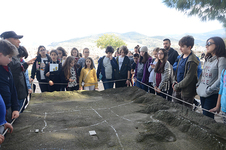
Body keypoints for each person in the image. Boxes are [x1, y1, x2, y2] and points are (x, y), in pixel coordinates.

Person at [0, 31, 35, 110]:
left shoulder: (13, 55)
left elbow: (17, 70)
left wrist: (25, 65)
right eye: (16, 38)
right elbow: (14, 69)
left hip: (18, 94)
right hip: (12, 98)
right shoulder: (5, 60)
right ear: (7, 40)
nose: (19, 41)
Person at [196, 37, 226, 119]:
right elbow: (202, 73)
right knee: (204, 115)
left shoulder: (221, 59)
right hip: (202, 91)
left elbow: (221, 78)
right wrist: (198, 85)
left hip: (212, 94)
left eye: (209, 43)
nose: (206, 46)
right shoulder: (208, 59)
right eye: (206, 44)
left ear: (217, 45)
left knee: (207, 117)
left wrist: (209, 89)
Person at [172, 35, 199, 109]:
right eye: (180, 46)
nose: (180, 48)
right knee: (176, 108)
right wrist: (174, 81)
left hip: (187, 91)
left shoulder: (192, 60)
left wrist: (177, 86)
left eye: (183, 46)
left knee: (185, 111)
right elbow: (177, 71)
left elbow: (189, 77)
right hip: (177, 88)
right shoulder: (181, 56)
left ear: (189, 47)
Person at [0, 40, 20, 122]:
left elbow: (12, 88)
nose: (11, 60)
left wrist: (15, 108)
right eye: (9, 57)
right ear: (0, 55)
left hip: (8, 108)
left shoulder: (7, 68)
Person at [18, 46, 32, 112]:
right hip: (18, 90)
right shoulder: (14, 65)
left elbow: (26, 77)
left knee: (23, 106)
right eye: (20, 56)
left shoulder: (23, 63)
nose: (21, 58)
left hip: (23, 90)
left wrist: (28, 87)